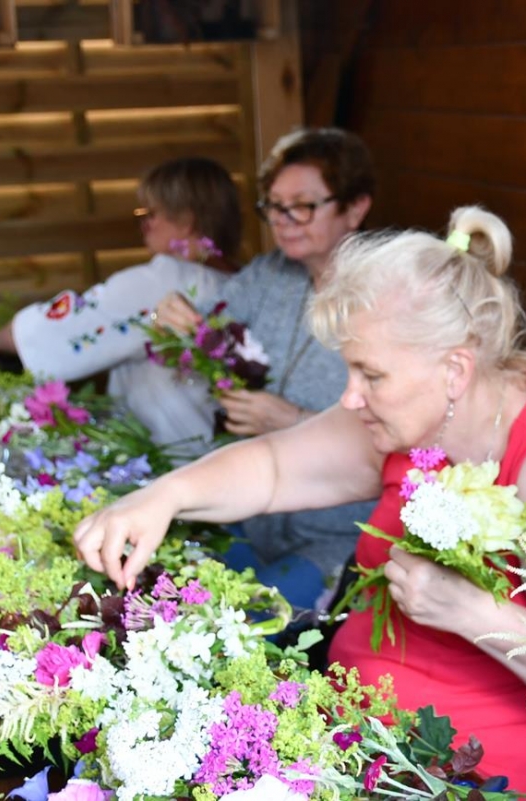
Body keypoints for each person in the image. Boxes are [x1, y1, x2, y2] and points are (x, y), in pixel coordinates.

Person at [73, 205, 526, 798]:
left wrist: (471, 610)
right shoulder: (414, 423)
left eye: (370, 375)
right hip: (361, 750)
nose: (351, 397)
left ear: (455, 370)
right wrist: (162, 497)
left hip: (489, 782)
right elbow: (272, 468)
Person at [152, 127, 378, 610]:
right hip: (252, 513)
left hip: (342, 534)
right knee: (177, 603)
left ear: (356, 208)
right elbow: (204, 331)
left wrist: (293, 421)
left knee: (248, 621)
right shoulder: (270, 273)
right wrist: (175, 321)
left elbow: (410, 434)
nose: (283, 220)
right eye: (274, 206)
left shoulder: (390, 296)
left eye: (302, 205)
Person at [0, 156, 242, 459]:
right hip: (231, 457)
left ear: (187, 220)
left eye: (150, 213)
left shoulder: (165, 279)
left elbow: (59, 329)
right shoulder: (244, 281)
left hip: (178, 460)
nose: (143, 224)